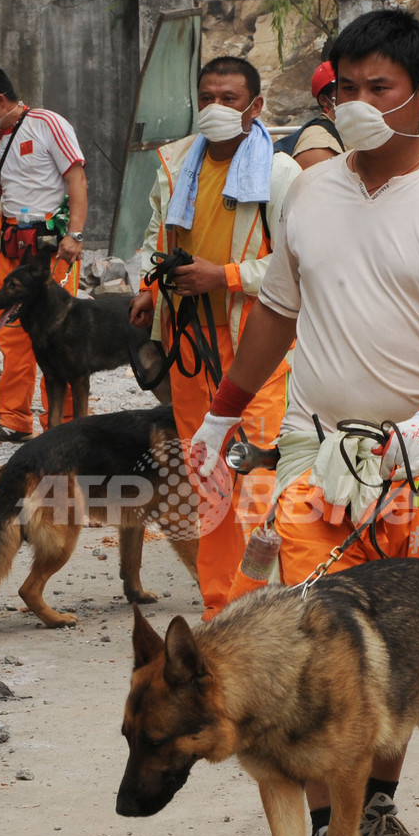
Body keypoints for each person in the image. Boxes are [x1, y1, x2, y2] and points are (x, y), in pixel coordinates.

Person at [191, 10, 419, 836]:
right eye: (347, 89)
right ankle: (328, 829)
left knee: (406, 645)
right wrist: (222, 418)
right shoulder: (309, 193)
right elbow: (277, 313)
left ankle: (375, 804)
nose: (361, 104)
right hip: (318, 456)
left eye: (382, 88)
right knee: (311, 639)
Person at [129, 57, 301, 621]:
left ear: (256, 107)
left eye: (230, 98)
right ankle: (219, 607)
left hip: (255, 346)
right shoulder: (177, 162)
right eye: (207, 97)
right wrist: (150, 289)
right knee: (206, 474)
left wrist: (223, 276)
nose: (216, 108)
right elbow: (158, 235)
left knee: (253, 474)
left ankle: (260, 607)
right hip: (188, 345)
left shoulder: (279, 175)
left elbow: (296, 264)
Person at [0, 65, 87, 444]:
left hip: (51, 250)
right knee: (12, 333)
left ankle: (66, 424)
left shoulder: (48, 125)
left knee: (59, 333)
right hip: (12, 247)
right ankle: (14, 420)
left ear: (0, 100)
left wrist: (75, 235)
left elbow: (76, 179)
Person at [274, 60, 345, 169]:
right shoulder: (319, 146)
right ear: (324, 100)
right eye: (349, 89)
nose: (361, 97)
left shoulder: (350, 132)